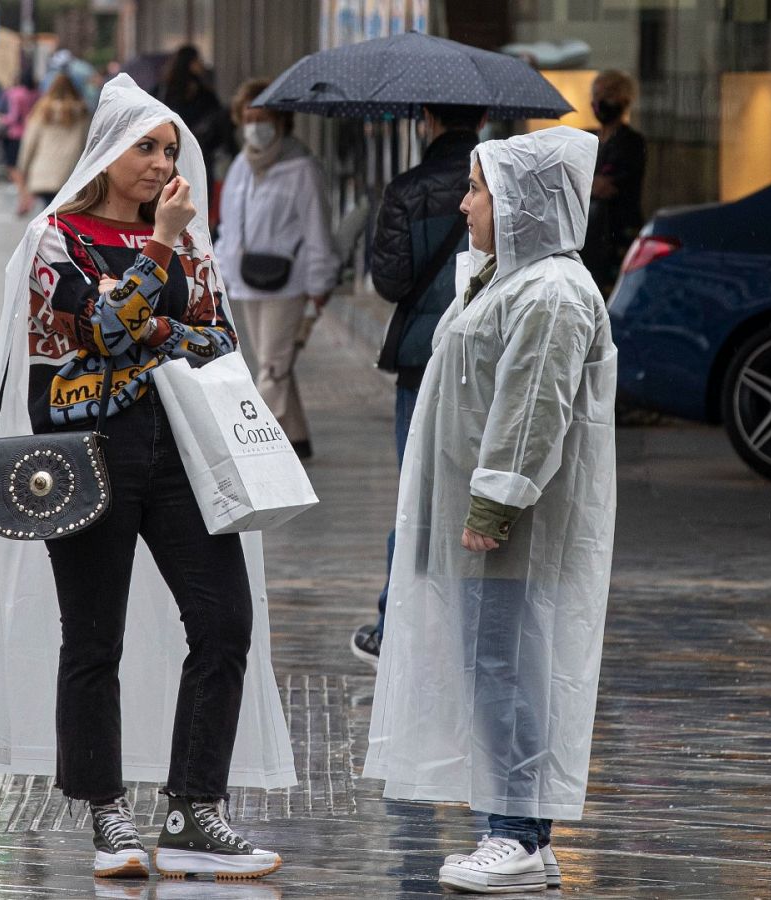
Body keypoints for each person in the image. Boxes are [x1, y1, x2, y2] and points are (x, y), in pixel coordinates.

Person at [0, 74, 295, 883]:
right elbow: (91, 334)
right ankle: (107, 814)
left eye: (170, 148)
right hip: (87, 457)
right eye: (146, 146)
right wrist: (157, 274)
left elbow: (215, 343)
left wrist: (147, 319)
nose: (162, 162)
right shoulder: (56, 239)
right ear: (107, 150)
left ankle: (194, 810)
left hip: (183, 458)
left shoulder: (192, 244)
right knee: (94, 638)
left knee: (224, 620)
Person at [363, 126, 617, 895]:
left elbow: (530, 408)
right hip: (479, 519)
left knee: (502, 670)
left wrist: (493, 505)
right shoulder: (509, 279)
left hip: (507, 526)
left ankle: (514, 832)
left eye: (477, 189)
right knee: (497, 670)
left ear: (518, 202)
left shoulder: (551, 293)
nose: (466, 203)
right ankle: (520, 833)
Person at [349, 103, 486, 668]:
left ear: (427, 117)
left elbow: (390, 280)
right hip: (486, 356)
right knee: (479, 487)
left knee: (419, 496)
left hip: (422, 360)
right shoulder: (501, 182)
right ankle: (470, 621)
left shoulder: (407, 189)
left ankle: (394, 625)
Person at [214, 78, 340, 460]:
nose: (255, 125)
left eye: (264, 117)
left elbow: (318, 231)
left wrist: (320, 284)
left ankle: (250, 445)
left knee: (272, 366)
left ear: (281, 121)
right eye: (248, 117)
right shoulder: (240, 165)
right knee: (275, 361)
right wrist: (218, 274)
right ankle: (296, 437)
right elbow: (229, 228)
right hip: (246, 283)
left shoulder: (301, 168)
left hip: (289, 284)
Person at [580, 70, 646, 295]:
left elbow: (603, 187)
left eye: (608, 94)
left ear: (624, 99)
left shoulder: (631, 143)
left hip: (616, 233)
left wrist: (579, 180)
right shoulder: (586, 138)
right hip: (588, 236)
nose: (599, 101)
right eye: (596, 94)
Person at [13, 73, 89, 217]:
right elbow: (87, 142)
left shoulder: (42, 110)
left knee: (50, 213)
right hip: (71, 171)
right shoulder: (82, 112)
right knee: (67, 214)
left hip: (44, 171)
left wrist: (23, 167)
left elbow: (30, 143)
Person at [152, 46, 229, 187]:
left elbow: (218, 119)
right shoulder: (164, 90)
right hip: (177, 152)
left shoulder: (203, 91)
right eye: (198, 60)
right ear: (189, 62)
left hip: (195, 151)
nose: (201, 64)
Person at [0, 71, 38, 173]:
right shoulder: (36, 94)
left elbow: (14, 116)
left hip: (15, 133)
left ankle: (23, 189)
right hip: (31, 131)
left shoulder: (15, 94)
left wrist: (1, 119)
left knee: (12, 165)